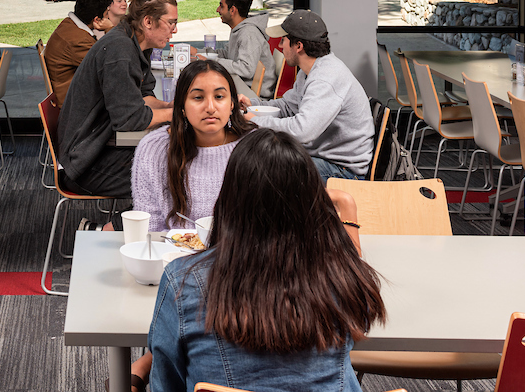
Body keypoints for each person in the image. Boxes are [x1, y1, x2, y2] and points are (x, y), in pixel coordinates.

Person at [147, 128, 384, 392]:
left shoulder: (183, 281)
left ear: (229, 198)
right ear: (312, 201)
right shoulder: (341, 275)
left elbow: (166, 382)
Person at [58, 0, 178, 200]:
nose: (174, 30)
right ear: (148, 21)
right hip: (84, 164)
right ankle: (112, 228)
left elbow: (143, 98)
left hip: (98, 148)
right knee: (173, 179)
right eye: (171, 23)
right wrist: (177, 115)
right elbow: (129, 120)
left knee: (172, 163)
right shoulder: (119, 50)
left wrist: (169, 106)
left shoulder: (135, 42)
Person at [247, 10, 375, 181]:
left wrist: (253, 121)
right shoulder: (309, 71)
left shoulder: (326, 78)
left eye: (283, 40)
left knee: (265, 170)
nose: (279, 46)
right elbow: (287, 106)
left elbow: (302, 131)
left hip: (342, 170)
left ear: (298, 46)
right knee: (259, 160)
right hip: (324, 157)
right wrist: (250, 106)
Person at [131, 60, 254, 232]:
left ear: (232, 103)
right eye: (198, 98)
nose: (210, 108)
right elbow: (151, 228)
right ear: (181, 106)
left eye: (219, 97)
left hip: (239, 255)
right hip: (173, 253)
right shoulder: (154, 149)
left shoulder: (255, 147)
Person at [201, 0, 276, 100]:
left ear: (232, 10)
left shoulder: (249, 34)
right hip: (241, 86)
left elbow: (245, 69)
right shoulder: (239, 29)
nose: (217, 10)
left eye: (221, 6)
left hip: (252, 96)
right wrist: (199, 52)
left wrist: (211, 61)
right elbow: (227, 54)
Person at [44, 0, 114, 106]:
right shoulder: (79, 41)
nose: (108, 17)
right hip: (74, 105)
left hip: (71, 95)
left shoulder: (69, 24)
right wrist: (110, 29)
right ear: (97, 20)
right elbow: (110, 67)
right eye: (107, 14)